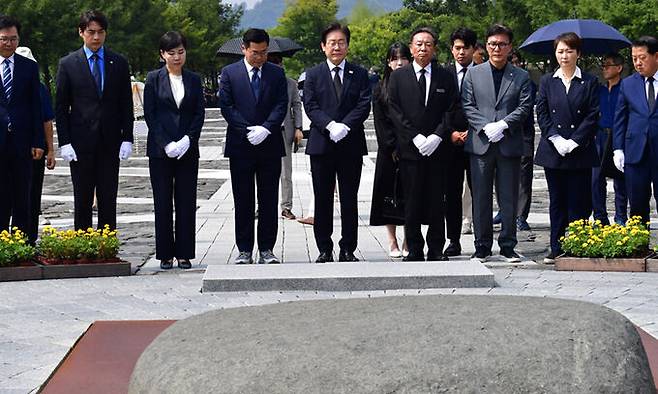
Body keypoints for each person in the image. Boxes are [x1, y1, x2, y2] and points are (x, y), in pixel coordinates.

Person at [388, 27, 462, 262]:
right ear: (411, 48)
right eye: (418, 44)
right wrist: (415, 137)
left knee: (436, 200)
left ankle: (436, 248)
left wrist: (438, 136)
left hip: (438, 149)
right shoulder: (399, 77)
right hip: (410, 150)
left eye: (428, 44)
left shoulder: (445, 76)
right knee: (412, 200)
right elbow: (395, 110)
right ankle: (415, 248)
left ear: (435, 48)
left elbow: (451, 109)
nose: (423, 48)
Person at [55, 10, 134, 231]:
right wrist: (65, 142)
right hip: (80, 142)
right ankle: (83, 247)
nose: (96, 37)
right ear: (81, 33)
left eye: (100, 32)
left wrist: (127, 138)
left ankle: (106, 247)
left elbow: (126, 103)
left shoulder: (118, 62)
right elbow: (60, 107)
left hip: (110, 141)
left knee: (108, 197)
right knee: (82, 198)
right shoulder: (68, 64)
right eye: (91, 32)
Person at [461, 24, 532, 262]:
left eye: (502, 44)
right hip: (481, 143)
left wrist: (503, 125)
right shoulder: (473, 73)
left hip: (508, 142)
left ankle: (508, 245)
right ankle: (482, 245)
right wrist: (485, 126)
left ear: (510, 47)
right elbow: (467, 105)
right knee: (480, 196)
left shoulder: (521, 76)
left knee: (508, 197)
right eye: (492, 44)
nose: (497, 48)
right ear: (486, 46)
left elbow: (524, 107)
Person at [303, 22, 371, 263]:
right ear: (323, 46)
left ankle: (348, 248)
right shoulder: (312, 74)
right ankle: (324, 248)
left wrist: (346, 126)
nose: (337, 47)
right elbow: (310, 105)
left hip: (350, 144)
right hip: (322, 144)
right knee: (322, 198)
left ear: (348, 46)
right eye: (332, 42)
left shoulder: (360, 73)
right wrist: (330, 125)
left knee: (349, 198)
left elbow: (364, 104)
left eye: (341, 42)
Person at [219, 28, 288, 264]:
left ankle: (267, 249)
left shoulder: (276, 74)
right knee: (243, 199)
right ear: (244, 49)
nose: (259, 57)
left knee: (268, 199)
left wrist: (266, 128)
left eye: (264, 52)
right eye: (255, 53)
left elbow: (281, 105)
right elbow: (227, 106)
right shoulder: (229, 73)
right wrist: (246, 130)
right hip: (241, 145)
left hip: (269, 144)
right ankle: (245, 249)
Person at [535, 32, 600, 263]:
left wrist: (574, 141)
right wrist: (555, 138)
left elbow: (593, 115)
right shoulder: (546, 81)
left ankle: (578, 245)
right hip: (553, 150)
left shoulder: (590, 81)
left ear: (578, 54)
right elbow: (541, 112)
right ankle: (556, 247)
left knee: (579, 201)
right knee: (557, 201)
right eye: (560, 51)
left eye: (569, 51)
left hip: (579, 150)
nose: (564, 55)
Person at [144, 31, 205, 270]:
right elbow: (151, 114)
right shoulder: (153, 79)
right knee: (162, 201)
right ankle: (165, 254)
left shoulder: (194, 79)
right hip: (161, 151)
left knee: (186, 201)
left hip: (188, 150)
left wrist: (189, 139)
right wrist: (166, 143)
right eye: (171, 53)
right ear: (162, 54)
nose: (177, 57)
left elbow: (199, 112)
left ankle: (184, 253)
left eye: (181, 52)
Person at [0, 16, 44, 235]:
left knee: (22, 195)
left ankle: (22, 244)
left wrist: (38, 141)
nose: (9, 43)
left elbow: (36, 106)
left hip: (22, 141)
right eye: (4, 39)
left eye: (13, 39)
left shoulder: (28, 67)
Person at [369, 42, 411, 258]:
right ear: (388, 62)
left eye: (403, 58)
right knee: (388, 195)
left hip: (411, 149)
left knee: (408, 195)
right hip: (389, 152)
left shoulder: (414, 84)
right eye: (395, 58)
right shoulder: (379, 89)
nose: (399, 62)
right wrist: (392, 146)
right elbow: (380, 122)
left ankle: (407, 239)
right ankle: (392, 239)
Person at [613, 36, 658, 226]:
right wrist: (618, 149)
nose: (638, 63)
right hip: (636, 152)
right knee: (638, 205)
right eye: (634, 58)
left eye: (642, 57)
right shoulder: (628, 84)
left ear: (656, 56)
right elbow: (620, 118)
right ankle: (641, 247)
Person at [14, 46, 55, 244]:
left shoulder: (39, 89)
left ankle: (28, 238)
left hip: (33, 149)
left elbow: (47, 120)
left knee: (31, 195)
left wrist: (50, 150)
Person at [443, 27, 477, 257]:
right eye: (457, 48)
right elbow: (438, 109)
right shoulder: (442, 74)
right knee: (452, 193)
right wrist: (450, 133)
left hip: (477, 141)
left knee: (479, 191)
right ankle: (452, 240)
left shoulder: (483, 73)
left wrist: (472, 132)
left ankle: (481, 241)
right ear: (451, 49)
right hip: (450, 143)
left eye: (465, 48)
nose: (461, 52)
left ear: (474, 49)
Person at [592, 53, 627, 226]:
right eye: (603, 66)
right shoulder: (600, 90)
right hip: (600, 136)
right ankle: (600, 217)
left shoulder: (626, 88)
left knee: (620, 179)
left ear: (619, 68)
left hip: (619, 136)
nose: (604, 68)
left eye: (608, 65)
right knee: (596, 178)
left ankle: (621, 217)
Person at [268, 53, 303, 220]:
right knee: (263, 172)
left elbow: (296, 105)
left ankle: (286, 207)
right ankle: (263, 206)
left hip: (284, 131)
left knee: (285, 172)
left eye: (279, 63)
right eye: (273, 63)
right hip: (266, 132)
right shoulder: (263, 82)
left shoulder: (290, 84)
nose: (278, 66)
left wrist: (298, 127)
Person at [510, 50, 537, 239]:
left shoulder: (528, 82)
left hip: (524, 134)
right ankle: (505, 212)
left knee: (524, 177)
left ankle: (521, 215)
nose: (514, 65)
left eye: (516, 62)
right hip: (502, 135)